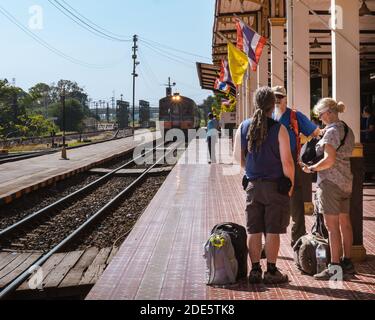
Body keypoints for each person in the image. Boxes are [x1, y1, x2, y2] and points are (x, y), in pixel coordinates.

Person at [234, 87, 295, 284]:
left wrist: (251, 168)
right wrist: (291, 184)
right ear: (272, 105)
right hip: (275, 187)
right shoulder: (279, 129)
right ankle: (271, 270)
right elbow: (287, 162)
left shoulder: (244, 127)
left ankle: (254, 270)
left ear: (255, 103)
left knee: (254, 229)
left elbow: (238, 158)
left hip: (252, 186)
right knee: (273, 230)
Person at [301, 98, 355, 280]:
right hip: (346, 181)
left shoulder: (331, 132)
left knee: (332, 227)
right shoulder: (346, 129)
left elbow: (329, 160)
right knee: (345, 223)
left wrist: (312, 168)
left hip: (330, 184)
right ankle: (347, 262)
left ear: (329, 113)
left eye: (320, 114)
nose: (319, 118)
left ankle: (334, 266)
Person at [272, 86, 321, 247]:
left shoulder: (295, 116)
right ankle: (269, 245)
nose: (278, 99)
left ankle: (298, 243)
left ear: (286, 98)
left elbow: (316, 133)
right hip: (273, 165)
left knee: (297, 208)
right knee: (271, 209)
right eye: (275, 97)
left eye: (280, 96)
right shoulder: (268, 116)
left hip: (293, 164)